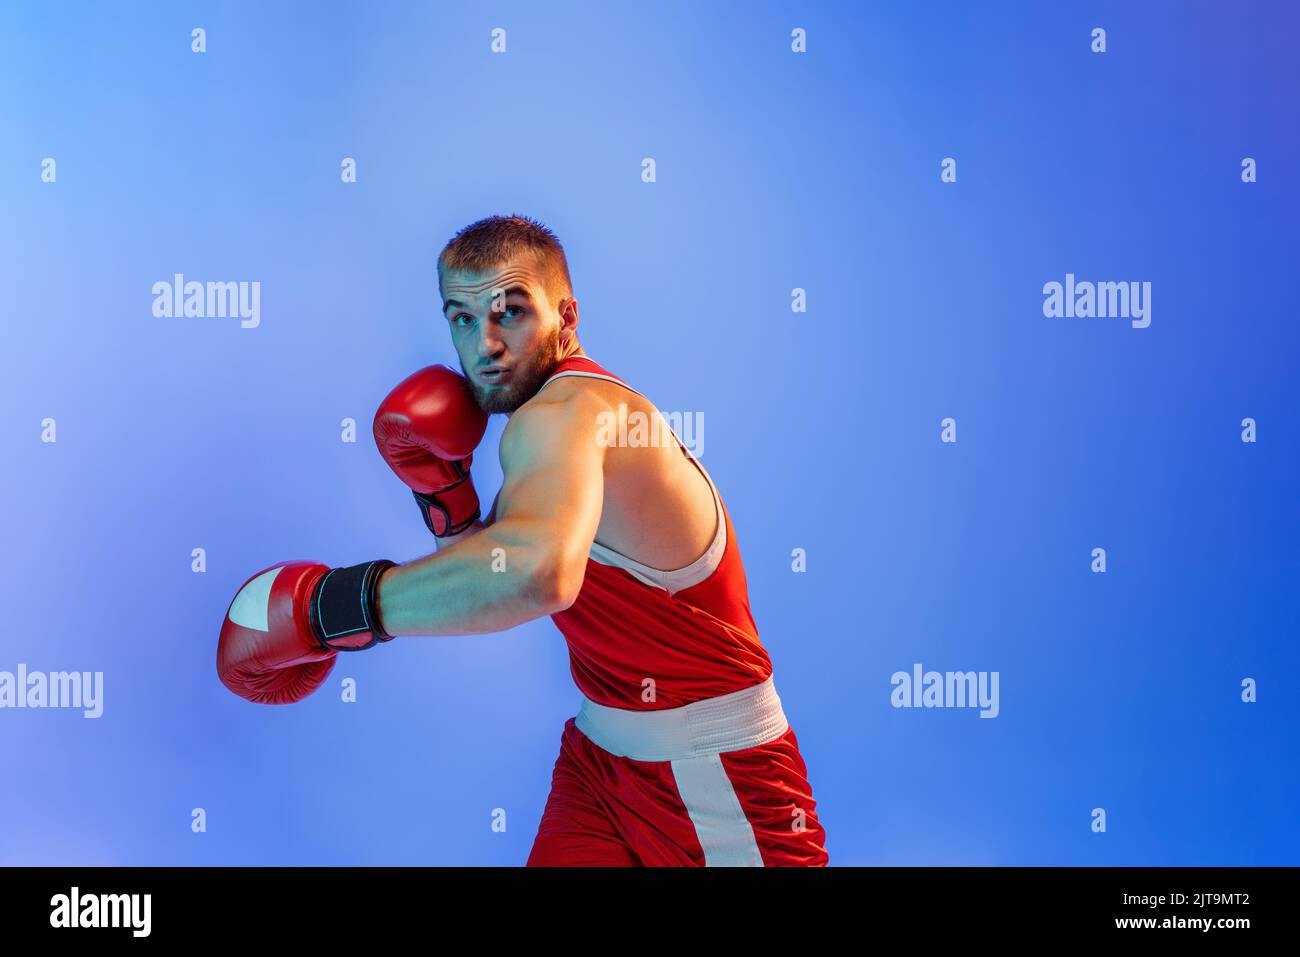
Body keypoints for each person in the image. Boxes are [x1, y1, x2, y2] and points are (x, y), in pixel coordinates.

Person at [217, 214, 829, 866]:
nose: (484, 344)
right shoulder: (558, 431)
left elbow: (538, 572)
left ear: (565, 316)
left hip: (716, 776)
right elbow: (509, 563)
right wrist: (451, 507)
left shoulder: (563, 416)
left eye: (508, 312)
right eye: (460, 317)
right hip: (601, 761)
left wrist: (329, 608)